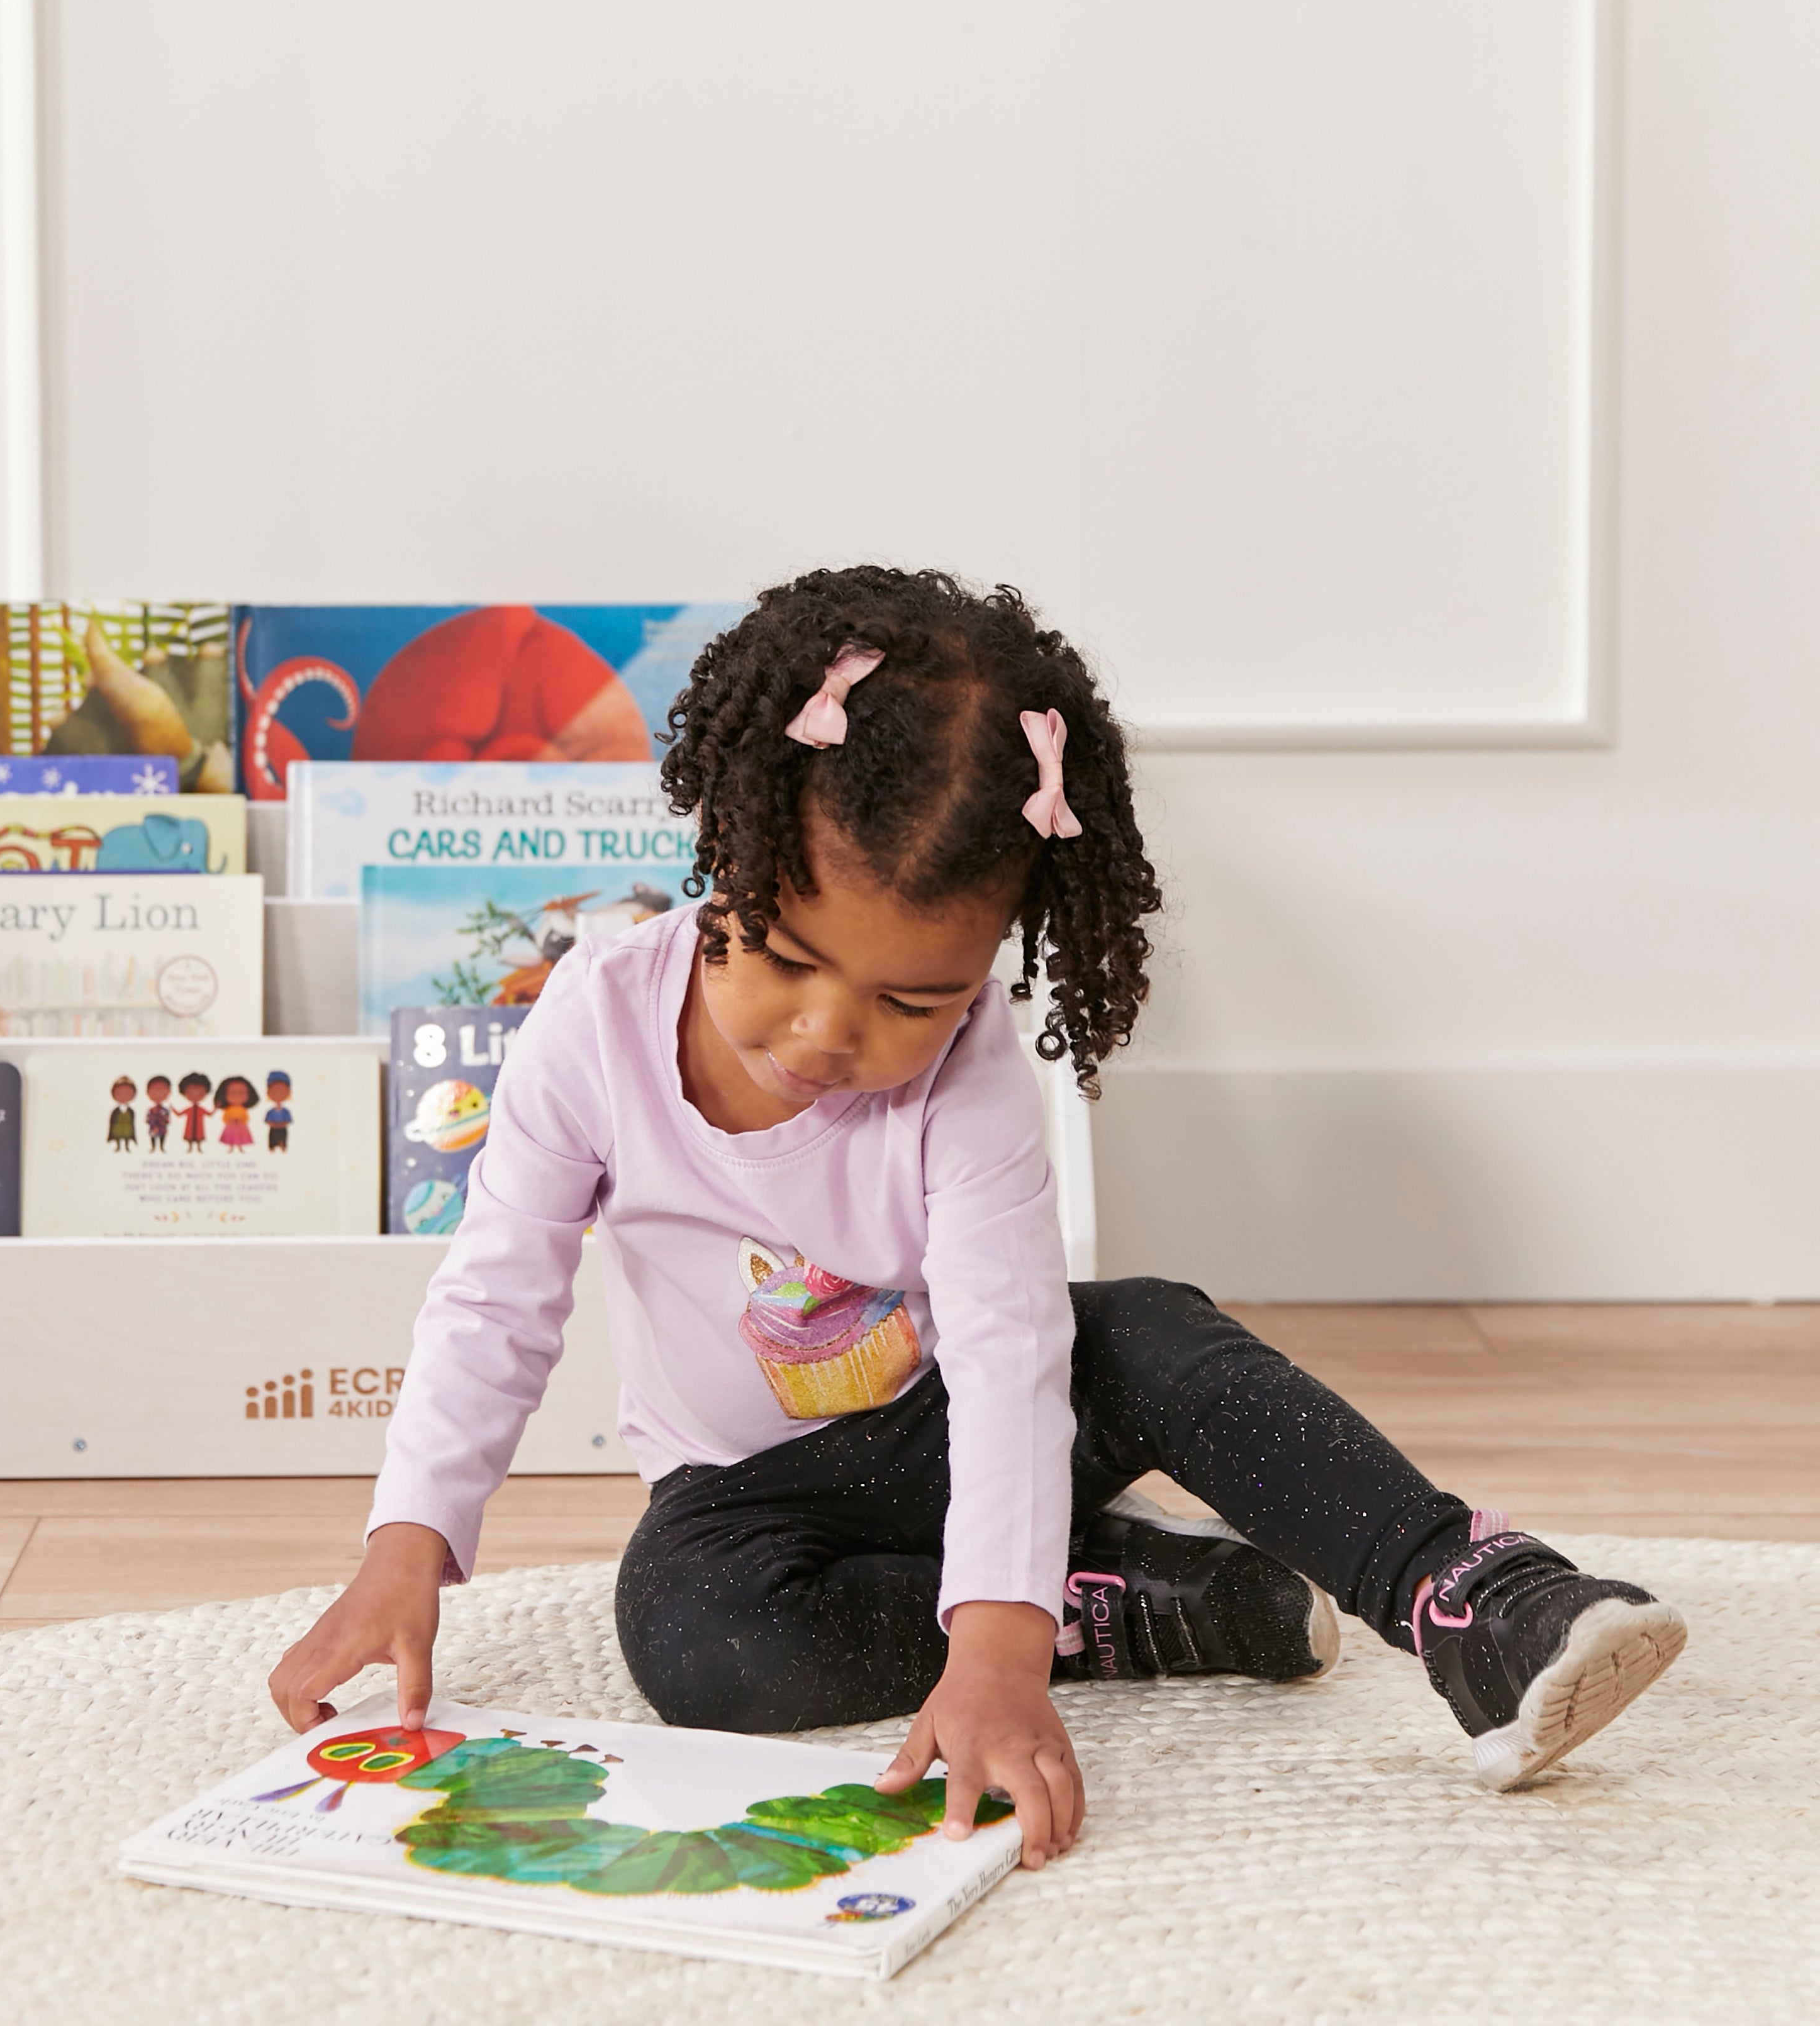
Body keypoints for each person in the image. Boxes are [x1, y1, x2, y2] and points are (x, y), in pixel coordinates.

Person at [267, 568, 1687, 1872]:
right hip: (760, 1496)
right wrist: (408, 1542)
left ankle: (1471, 1596)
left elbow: (1010, 1355)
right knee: (688, 1626)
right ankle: (1154, 1603)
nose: (827, 1033)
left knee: (1139, 1331)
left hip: (980, 1425)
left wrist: (992, 1649)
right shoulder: (591, 1024)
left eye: (911, 999)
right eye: (783, 955)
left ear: (985, 969)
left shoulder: (972, 1078)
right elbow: (495, 1295)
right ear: (725, 851)